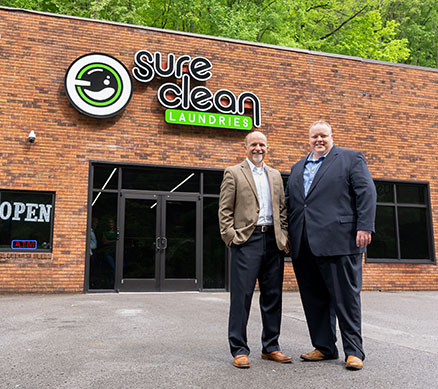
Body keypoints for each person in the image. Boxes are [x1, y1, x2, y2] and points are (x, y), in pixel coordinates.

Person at [285, 120, 377, 370]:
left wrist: (365, 226)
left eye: (323, 135)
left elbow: (366, 192)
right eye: (314, 136)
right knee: (314, 299)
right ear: (309, 139)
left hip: (340, 240)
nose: (319, 140)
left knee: (346, 298)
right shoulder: (297, 168)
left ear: (331, 136)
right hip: (304, 244)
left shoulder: (350, 158)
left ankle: (354, 351)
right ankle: (324, 347)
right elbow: (293, 204)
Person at [218, 131, 292, 368]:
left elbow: (281, 209)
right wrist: (231, 237)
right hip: (246, 241)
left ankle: (271, 347)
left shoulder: (276, 175)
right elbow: (224, 210)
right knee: (242, 297)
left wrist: (284, 236)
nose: (258, 148)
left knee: (273, 297)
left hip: (273, 242)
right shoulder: (233, 173)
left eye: (262, 144)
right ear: (246, 147)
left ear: (267, 147)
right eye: (254, 144)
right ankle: (239, 349)